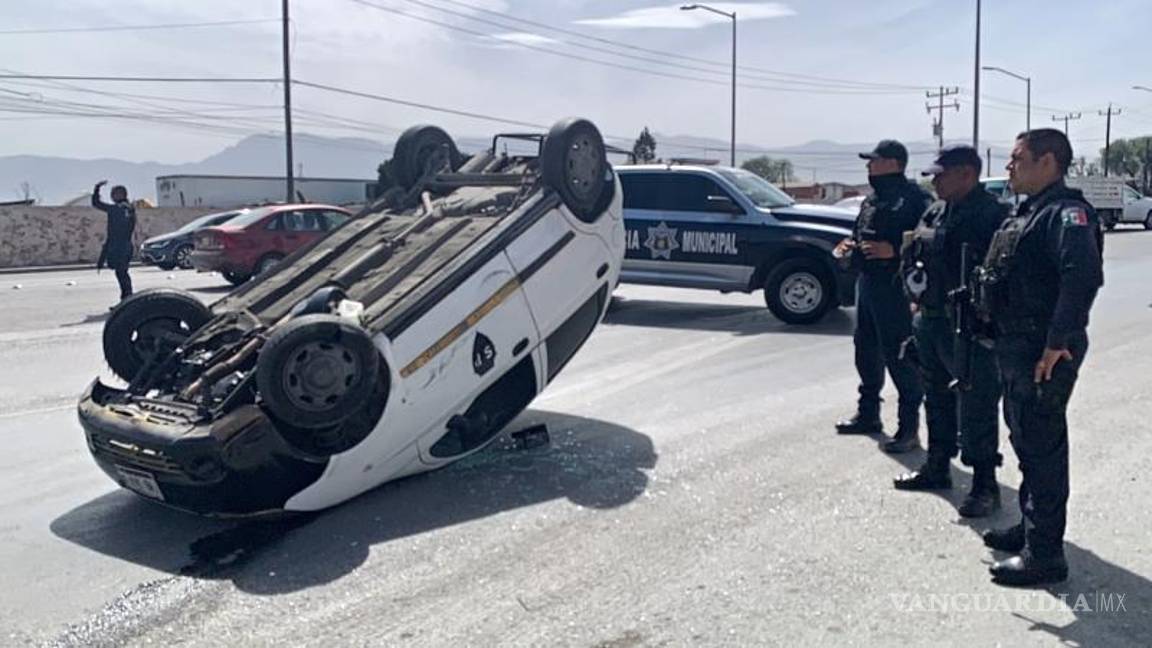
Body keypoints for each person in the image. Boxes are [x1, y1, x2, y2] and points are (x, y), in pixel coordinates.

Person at [975, 129, 1104, 586]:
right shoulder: (1030, 212)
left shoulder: (1067, 213)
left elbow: (1081, 276)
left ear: (1048, 162)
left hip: (1043, 349)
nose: (1009, 167)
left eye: (1018, 159)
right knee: (1026, 440)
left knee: (1043, 447)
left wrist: (1056, 343)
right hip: (1018, 345)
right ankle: (1031, 529)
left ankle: (1046, 556)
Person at [894, 145, 1007, 518]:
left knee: (977, 405)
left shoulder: (994, 215)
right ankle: (938, 466)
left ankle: (985, 484)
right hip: (930, 319)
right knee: (936, 396)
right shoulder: (935, 211)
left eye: (941, 175)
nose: (935, 182)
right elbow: (913, 254)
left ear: (967, 174)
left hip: (970, 326)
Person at [834, 140, 931, 453]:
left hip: (896, 286)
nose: (868, 166)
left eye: (874, 161)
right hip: (867, 282)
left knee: (900, 356)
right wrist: (848, 247)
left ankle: (908, 429)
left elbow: (929, 242)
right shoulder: (872, 200)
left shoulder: (915, 199)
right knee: (865, 349)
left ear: (893, 163)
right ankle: (868, 414)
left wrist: (896, 250)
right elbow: (859, 233)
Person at [91, 180, 136, 302]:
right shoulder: (129, 208)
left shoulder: (117, 209)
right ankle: (126, 298)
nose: (112, 197)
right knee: (122, 273)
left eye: (113, 194)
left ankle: (127, 299)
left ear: (120, 194)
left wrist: (97, 189)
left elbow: (97, 204)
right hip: (125, 245)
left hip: (119, 246)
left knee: (121, 273)